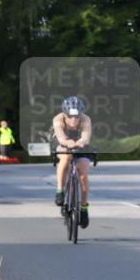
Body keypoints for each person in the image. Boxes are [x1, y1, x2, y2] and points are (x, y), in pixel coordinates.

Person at [53, 96, 93, 228]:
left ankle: (84, 208)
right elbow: (61, 137)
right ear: (65, 114)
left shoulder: (86, 119)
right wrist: (68, 142)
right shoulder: (58, 119)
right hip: (63, 142)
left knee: (83, 173)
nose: (74, 120)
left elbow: (86, 137)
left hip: (80, 144)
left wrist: (81, 142)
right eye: (70, 116)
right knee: (65, 157)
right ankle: (60, 190)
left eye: (77, 116)